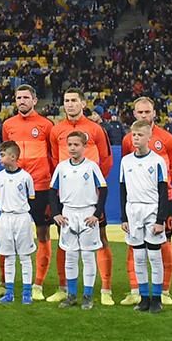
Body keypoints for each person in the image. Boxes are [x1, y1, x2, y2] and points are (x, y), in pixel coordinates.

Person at [0, 85, 58, 299]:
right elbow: (5, 151)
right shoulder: (8, 124)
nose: (22, 101)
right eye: (19, 97)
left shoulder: (46, 125)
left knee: (43, 233)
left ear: (35, 100)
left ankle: (37, 284)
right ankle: (4, 282)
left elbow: (53, 155)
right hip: (13, 189)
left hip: (40, 186)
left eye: (26, 97)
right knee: (7, 235)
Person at [120, 97, 172, 304]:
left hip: (161, 201)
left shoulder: (167, 139)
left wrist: (157, 188)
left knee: (164, 245)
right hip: (136, 203)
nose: (144, 116)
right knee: (135, 247)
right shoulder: (129, 140)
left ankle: (163, 291)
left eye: (147, 112)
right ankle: (137, 290)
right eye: (140, 113)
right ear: (134, 114)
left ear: (154, 113)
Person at [54, 90, 115, 302]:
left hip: (90, 202)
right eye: (66, 101)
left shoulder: (95, 129)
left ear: (82, 103)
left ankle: (105, 289)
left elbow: (106, 160)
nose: (70, 105)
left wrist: (90, 185)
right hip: (68, 203)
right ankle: (67, 290)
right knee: (67, 247)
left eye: (74, 101)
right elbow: (54, 158)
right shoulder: (57, 130)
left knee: (100, 241)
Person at [50, 129, 107, 310]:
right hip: (68, 214)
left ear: (84, 146)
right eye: (70, 145)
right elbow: (52, 191)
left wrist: (96, 214)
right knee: (71, 256)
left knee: (88, 256)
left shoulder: (91, 167)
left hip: (87, 214)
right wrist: (56, 213)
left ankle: (88, 295)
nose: (72, 148)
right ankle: (71, 295)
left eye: (76, 145)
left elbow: (103, 189)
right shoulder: (62, 167)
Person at [0, 140, 37, 306]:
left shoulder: (26, 177)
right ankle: (9, 292)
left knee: (25, 257)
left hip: (22, 218)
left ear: (13, 157)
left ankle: (27, 292)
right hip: (5, 218)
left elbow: (30, 197)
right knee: (8, 256)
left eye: (2, 155)